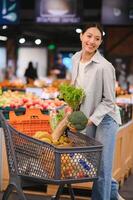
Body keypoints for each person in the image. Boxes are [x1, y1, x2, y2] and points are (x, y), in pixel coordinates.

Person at [71, 23, 124, 200]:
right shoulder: (75, 59)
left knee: (102, 168)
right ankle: (112, 190)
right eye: (89, 36)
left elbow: (109, 101)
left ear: (100, 42)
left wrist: (90, 120)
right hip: (87, 116)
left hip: (105, 119)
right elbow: (76, 88)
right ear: (81, 36)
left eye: (97, 38)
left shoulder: (105, 66)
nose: (92, 41)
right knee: (88, 163)